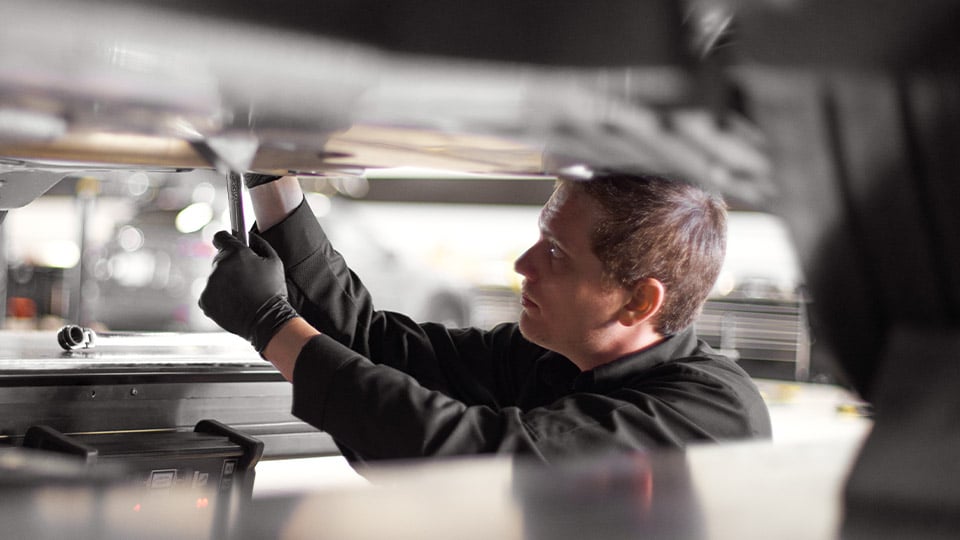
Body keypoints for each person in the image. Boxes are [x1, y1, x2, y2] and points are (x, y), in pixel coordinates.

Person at [199, 170, 771, 464]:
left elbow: (467, 459)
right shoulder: (557, 355)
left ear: (639, 301)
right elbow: (381, 347)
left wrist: (271, 323)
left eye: (556, 255)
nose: (524, 264)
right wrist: (271, 181)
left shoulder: (707, 417)